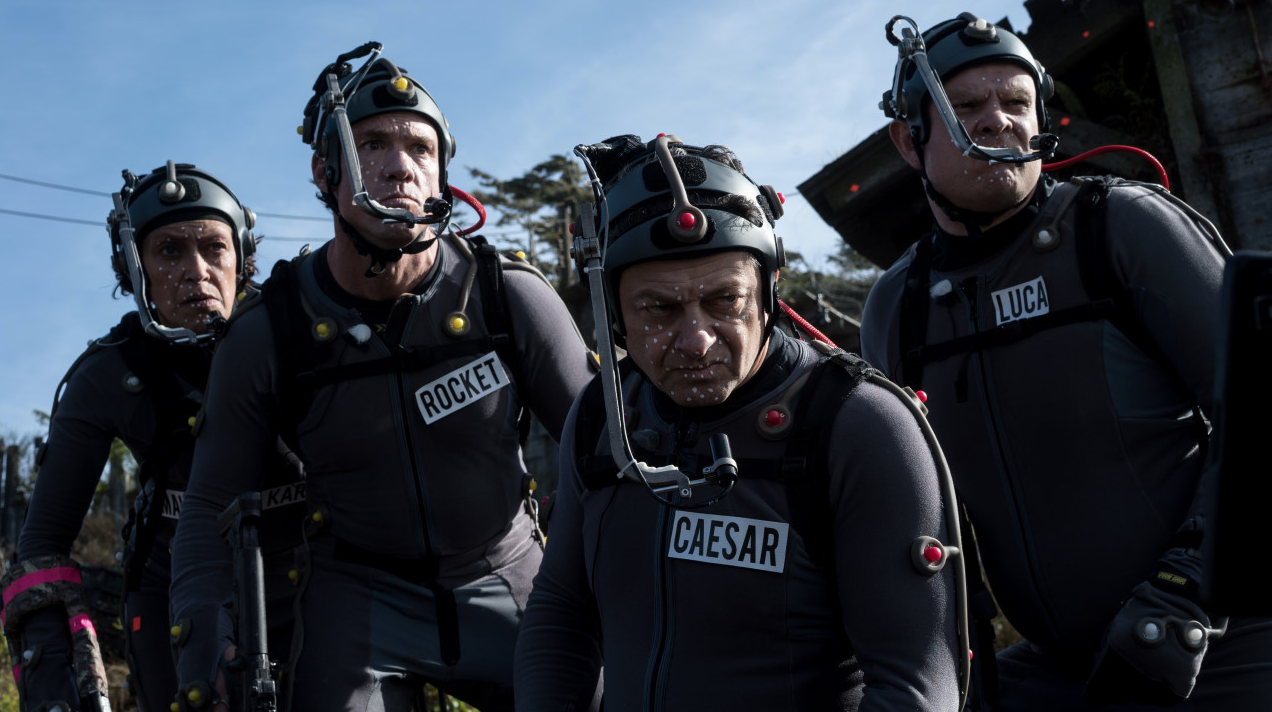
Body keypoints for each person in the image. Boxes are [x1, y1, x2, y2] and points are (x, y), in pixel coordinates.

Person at [861, 12, 1272, 711]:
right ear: (909, 140)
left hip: (1222, 642)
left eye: (1017, 102)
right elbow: (906, 509)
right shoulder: (898, 305)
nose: (998, 120)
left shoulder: (1122, 228)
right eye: (967, 105)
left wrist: (1179, 602)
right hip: (1061, 670)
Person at [168, 44, 595, 712]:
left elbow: (605, 456)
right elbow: (207, 504)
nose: (400, 165)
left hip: (507, 567)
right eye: (372, 145)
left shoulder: (507, 295)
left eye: (420, 148)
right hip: (358, 591)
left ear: (442, 171)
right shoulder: (266, 332)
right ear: (325, 171)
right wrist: (200, 626)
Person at [514, 133, 964, 712]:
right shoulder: (602, 416)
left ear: (770, 290)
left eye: (726, 300)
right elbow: (561, 614)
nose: (696, 341)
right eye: (659, 308)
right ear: (613, 312)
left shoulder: (858, 425)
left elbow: (915, 687)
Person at [2, 162, 305, 712]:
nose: (196, 271)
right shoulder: (108, 373)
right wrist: (54, 682)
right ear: (133, 268)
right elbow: (42, 543)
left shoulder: (302, 329)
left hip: (311, 571)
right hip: (167, 588)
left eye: (214, 248)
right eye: (169, 251)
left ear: (242, 257)